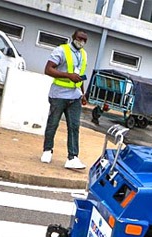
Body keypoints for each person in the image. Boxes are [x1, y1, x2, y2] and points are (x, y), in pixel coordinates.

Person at [41, 28, 88, 169]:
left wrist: (83, 93)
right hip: (59, 95)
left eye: (84, 40)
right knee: (53, 123)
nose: (82, 42)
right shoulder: (61, 50)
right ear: (73, 37)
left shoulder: (84, 54)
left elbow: (80, 75)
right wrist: (68, 75)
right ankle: (47, 150)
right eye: (79, 38)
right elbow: (48, 69)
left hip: (75, 96)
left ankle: (72, 157)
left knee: (74, 126)